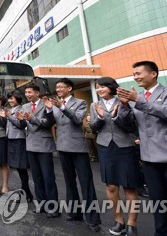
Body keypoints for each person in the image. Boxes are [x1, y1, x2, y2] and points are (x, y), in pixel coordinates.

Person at [116, 61, 167, 236]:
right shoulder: (137, 98)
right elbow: (127, 124)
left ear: (153, 74)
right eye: (134, 74)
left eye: (138, 73)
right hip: (149, 159)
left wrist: (137, 100)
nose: (135, 77)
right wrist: (123, 106)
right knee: (159, 203)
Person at [44, 78, 101, 232]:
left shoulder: (80, 102)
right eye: (56, 87)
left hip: (78, 148)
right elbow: (50, 124)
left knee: (86, 183)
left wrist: (61, 106)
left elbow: (76, 119)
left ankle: (93, 219)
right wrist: (49, 110)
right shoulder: (55, 105)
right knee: (69, 183)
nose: (58, 89)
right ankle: (75, 213)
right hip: (62, 147)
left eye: (61, 87)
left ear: (69, 88)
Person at [90, 77, 141, 236]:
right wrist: (99, 117)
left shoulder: (125, 101)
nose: (99, 90)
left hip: (125, 146)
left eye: (102, 87)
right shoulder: (94, 105)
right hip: (105, 147)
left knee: (129, 186)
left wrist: (115, 116)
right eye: (97, 88)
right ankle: (119, 221)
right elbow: (93, 128)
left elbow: (132, 126)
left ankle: (132, 224)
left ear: (111, 87)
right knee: (111, 186)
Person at [20, 83, 58, 216]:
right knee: (36, 177)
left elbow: (48, 123)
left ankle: (53, 208)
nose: (28, 95)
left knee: (48, 177)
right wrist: (21, 120)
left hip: (44, 145)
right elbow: (23, 124)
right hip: (30, 145)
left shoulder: (46, 104)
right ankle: (41, 204)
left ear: (37, 93)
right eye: (26, 93)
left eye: (30, 92)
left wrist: (32, 118)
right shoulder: (24, 106)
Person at [5, 90, 33, 202]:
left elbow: (21, 125)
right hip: (11, 139)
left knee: (22, 168)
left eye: (12, 98)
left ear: (17, 98)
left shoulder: (22, 109)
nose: (10, 101)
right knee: (18, 168)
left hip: (19, 140)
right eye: (9, 98)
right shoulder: (11, 109)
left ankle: (25, 192)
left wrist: (9, 117)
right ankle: (27, 193)